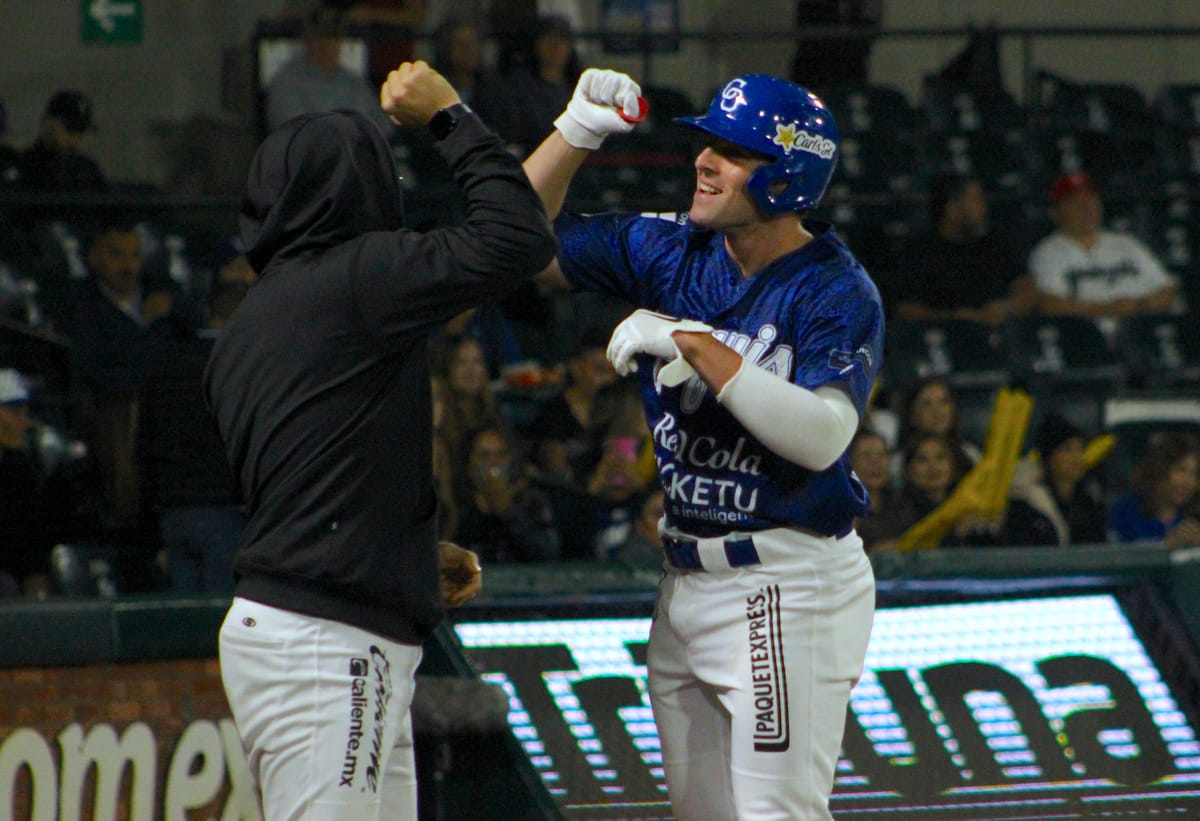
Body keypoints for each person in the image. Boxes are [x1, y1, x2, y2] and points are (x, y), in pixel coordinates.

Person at [523, 70, 883, 820]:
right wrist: (576, 132)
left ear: (787, 174)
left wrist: (692, 341)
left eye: (733, 150)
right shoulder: (674, 248)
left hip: (783, 580)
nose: (704, 161)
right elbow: (510, 246)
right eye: (707, 144)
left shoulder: (834, 287)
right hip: (684, 575)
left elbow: (822, 436)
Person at [205, 61, 556, 819]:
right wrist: (450, 116)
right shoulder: (358, 277)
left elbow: (313, 479)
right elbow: (519, 239)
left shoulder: (249, 325)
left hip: (310, 623)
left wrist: (402, 553)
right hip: (331, 643)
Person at [57, 218, 201, 532]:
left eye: (134, 256)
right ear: (94, 257)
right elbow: (102, 373)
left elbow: (200, 327)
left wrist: (175, 307)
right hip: (119, 412)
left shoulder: (160, 291)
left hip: (173, 405)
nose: (127, 265)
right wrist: (148, 330)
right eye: (116, 255)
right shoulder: (81, 307)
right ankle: (135, 522)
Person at [140, 280, 249, 594]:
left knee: (182, 631)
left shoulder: (166, 363)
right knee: (215, 626)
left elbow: (144, 445)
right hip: (223, 512)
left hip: (173, 515)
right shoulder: (239, 367)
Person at [1028, 172, 1180, 326]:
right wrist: (1107, 309)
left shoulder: (1126, 244)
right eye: (1075, 203)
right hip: (1088, 339)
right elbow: (1051, 305)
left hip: (1143, 333)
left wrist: (1141, 305)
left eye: (1092, 201)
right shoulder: (1048, 253)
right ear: (1055, 212)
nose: (1087, 209)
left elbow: (1168, 289)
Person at [893, 173, 1034, 326]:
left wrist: (1007, 308)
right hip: (942, 340)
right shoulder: (919, 251)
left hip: (1000, 336)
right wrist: (952, 318)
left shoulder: (995, 244)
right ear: (952, 208)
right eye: (976, 200)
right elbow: (905, 309)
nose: (984, 209)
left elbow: (1027, 289)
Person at [264, 6, 396, 136]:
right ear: (307, 40)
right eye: (320, 36)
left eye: (333, 37)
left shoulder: (354, 82)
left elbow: (383, 126)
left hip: (355, 153)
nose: (327, 44)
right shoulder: (286, 82)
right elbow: (290, 132)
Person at [451, 424, 561, 562]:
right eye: (484, 456)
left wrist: (508, 512)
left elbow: (547, 553)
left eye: (500, 455)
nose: (493, 463)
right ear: (470, 465)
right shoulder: (455, 506)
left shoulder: (532, 503)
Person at [1005, 412, 1107, 547]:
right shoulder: (1026, 506)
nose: (1076, 457)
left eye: (1080, 449)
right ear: (1049, 457)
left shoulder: (1089, 503)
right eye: (1067, 449)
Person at [505, 14, 583, 154]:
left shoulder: (580, 86)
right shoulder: (518, 86)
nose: (555, 45)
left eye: (562, 39)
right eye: (548, 38)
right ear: (536, 43)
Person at [1108, 431, 1200, 547]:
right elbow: (1117, 556)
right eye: (1180, 470)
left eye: (1194, 474)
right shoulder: (1125, 508)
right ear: (1160, 470)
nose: (1188, 482)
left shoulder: (1191, 518)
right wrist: (1165, 545)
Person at [15, 90, 107, 192]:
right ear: (49, 124)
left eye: (81, 130)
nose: (76, 138)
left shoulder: (89, 172)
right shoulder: (23, 169)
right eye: (71, 128)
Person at [848, 427, 901, 552]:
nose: (875, 463)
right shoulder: (844, 509)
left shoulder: (902, 503)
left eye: (881, 455)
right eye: (866, 456)